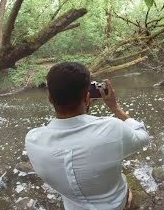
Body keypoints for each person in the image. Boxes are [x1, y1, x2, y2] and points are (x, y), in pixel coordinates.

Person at [25, 62, 150, 210]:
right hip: (116, 206)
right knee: (123, 186)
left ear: (50, 98)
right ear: (86, 98)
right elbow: (143, 137)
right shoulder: (112, 128)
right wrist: (115, 108)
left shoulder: (33, 140)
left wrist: (83, 107)